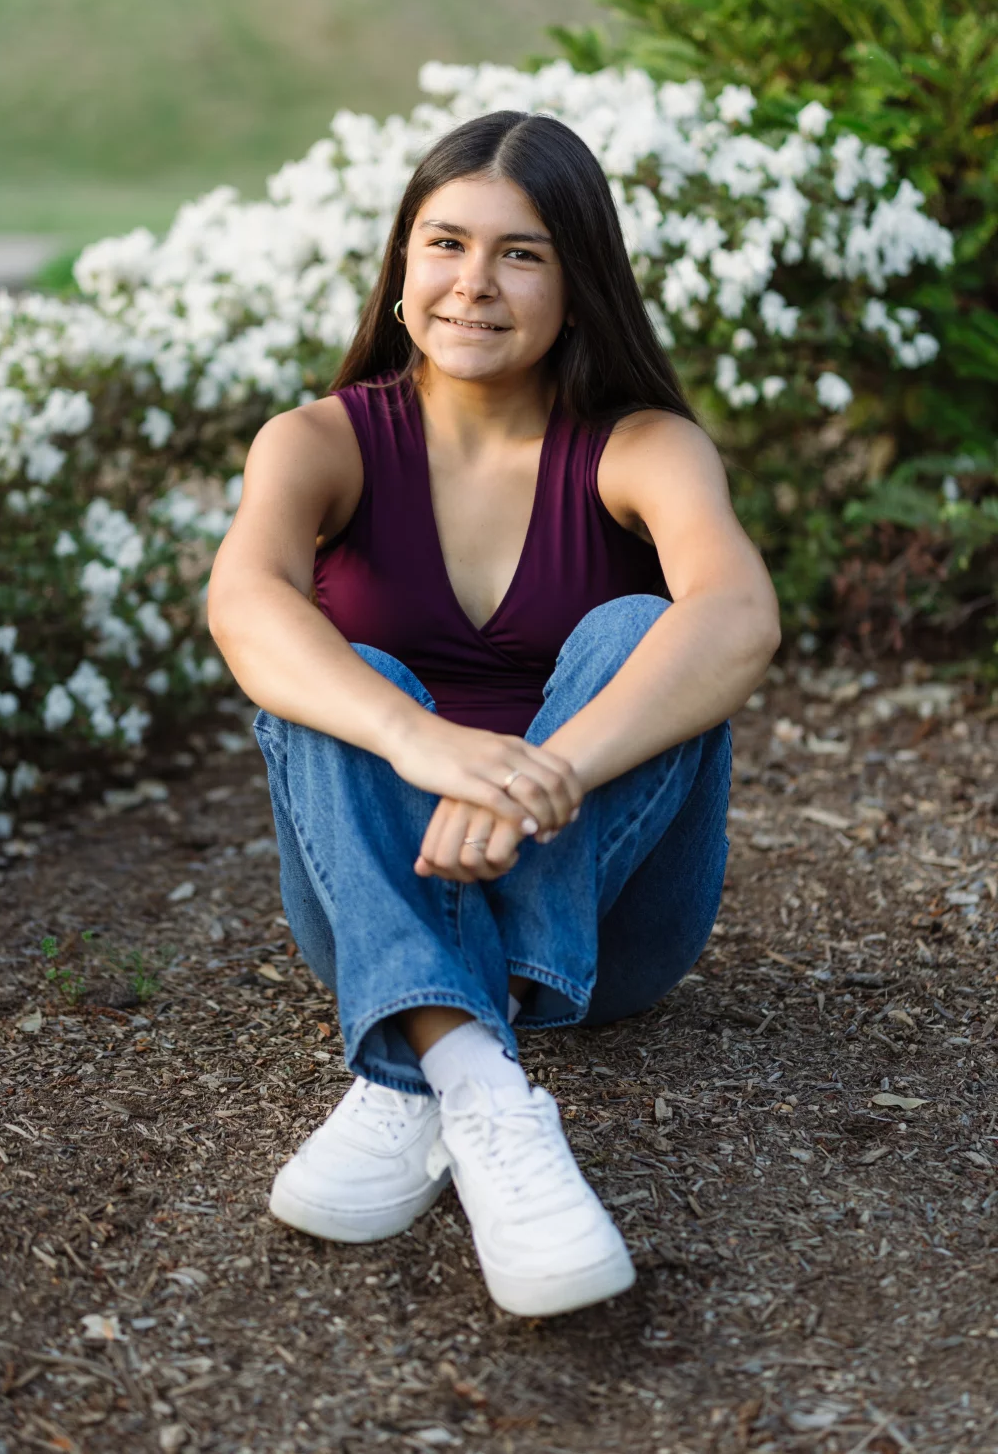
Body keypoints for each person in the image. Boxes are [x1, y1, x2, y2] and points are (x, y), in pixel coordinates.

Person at [207, 109, 780, 1319]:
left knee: (640, 634)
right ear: (402, 269)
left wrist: (543, 772)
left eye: (520, 253)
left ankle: (422, 1045)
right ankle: (477, 1083)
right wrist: (423, 742)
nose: (473, 282)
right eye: (444, 243)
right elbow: (245, 602)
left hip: (613, 923)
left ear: (578, 283)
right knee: (333, 672)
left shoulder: (643, 446)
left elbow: (735, 615)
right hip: (376, 891)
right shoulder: (319, 442)